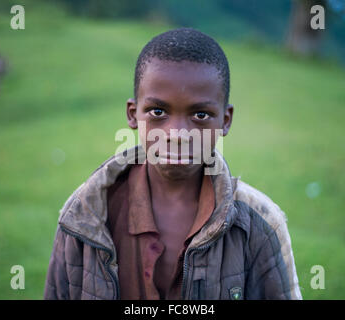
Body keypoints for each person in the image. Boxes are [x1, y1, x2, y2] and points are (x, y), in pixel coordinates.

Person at [44, 28, 302, 300]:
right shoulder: (85, 214)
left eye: (200, 114)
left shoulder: (259, 223)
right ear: (133, 115)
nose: (177, 134)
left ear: (225, 120)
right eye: (158, 112)